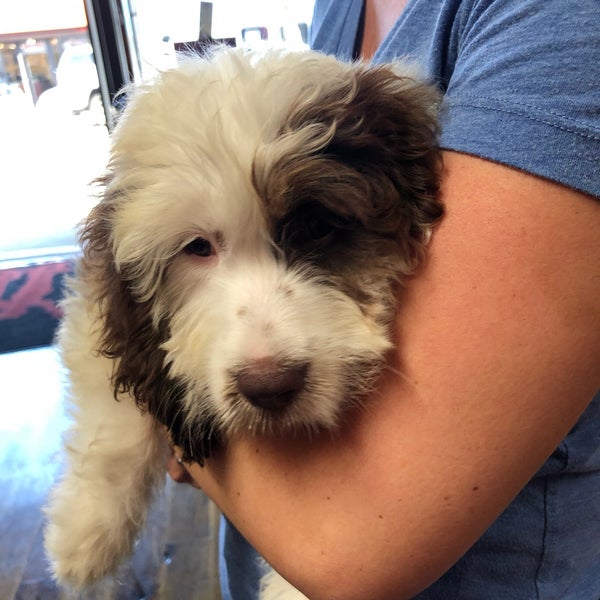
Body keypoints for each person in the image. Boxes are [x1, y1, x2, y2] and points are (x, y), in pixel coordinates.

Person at [168, 0, 600, 598]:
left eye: (316, 231)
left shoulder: (558, 25)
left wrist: (173, 425)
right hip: (258, 554)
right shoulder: (338, 8)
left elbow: (346, 549)